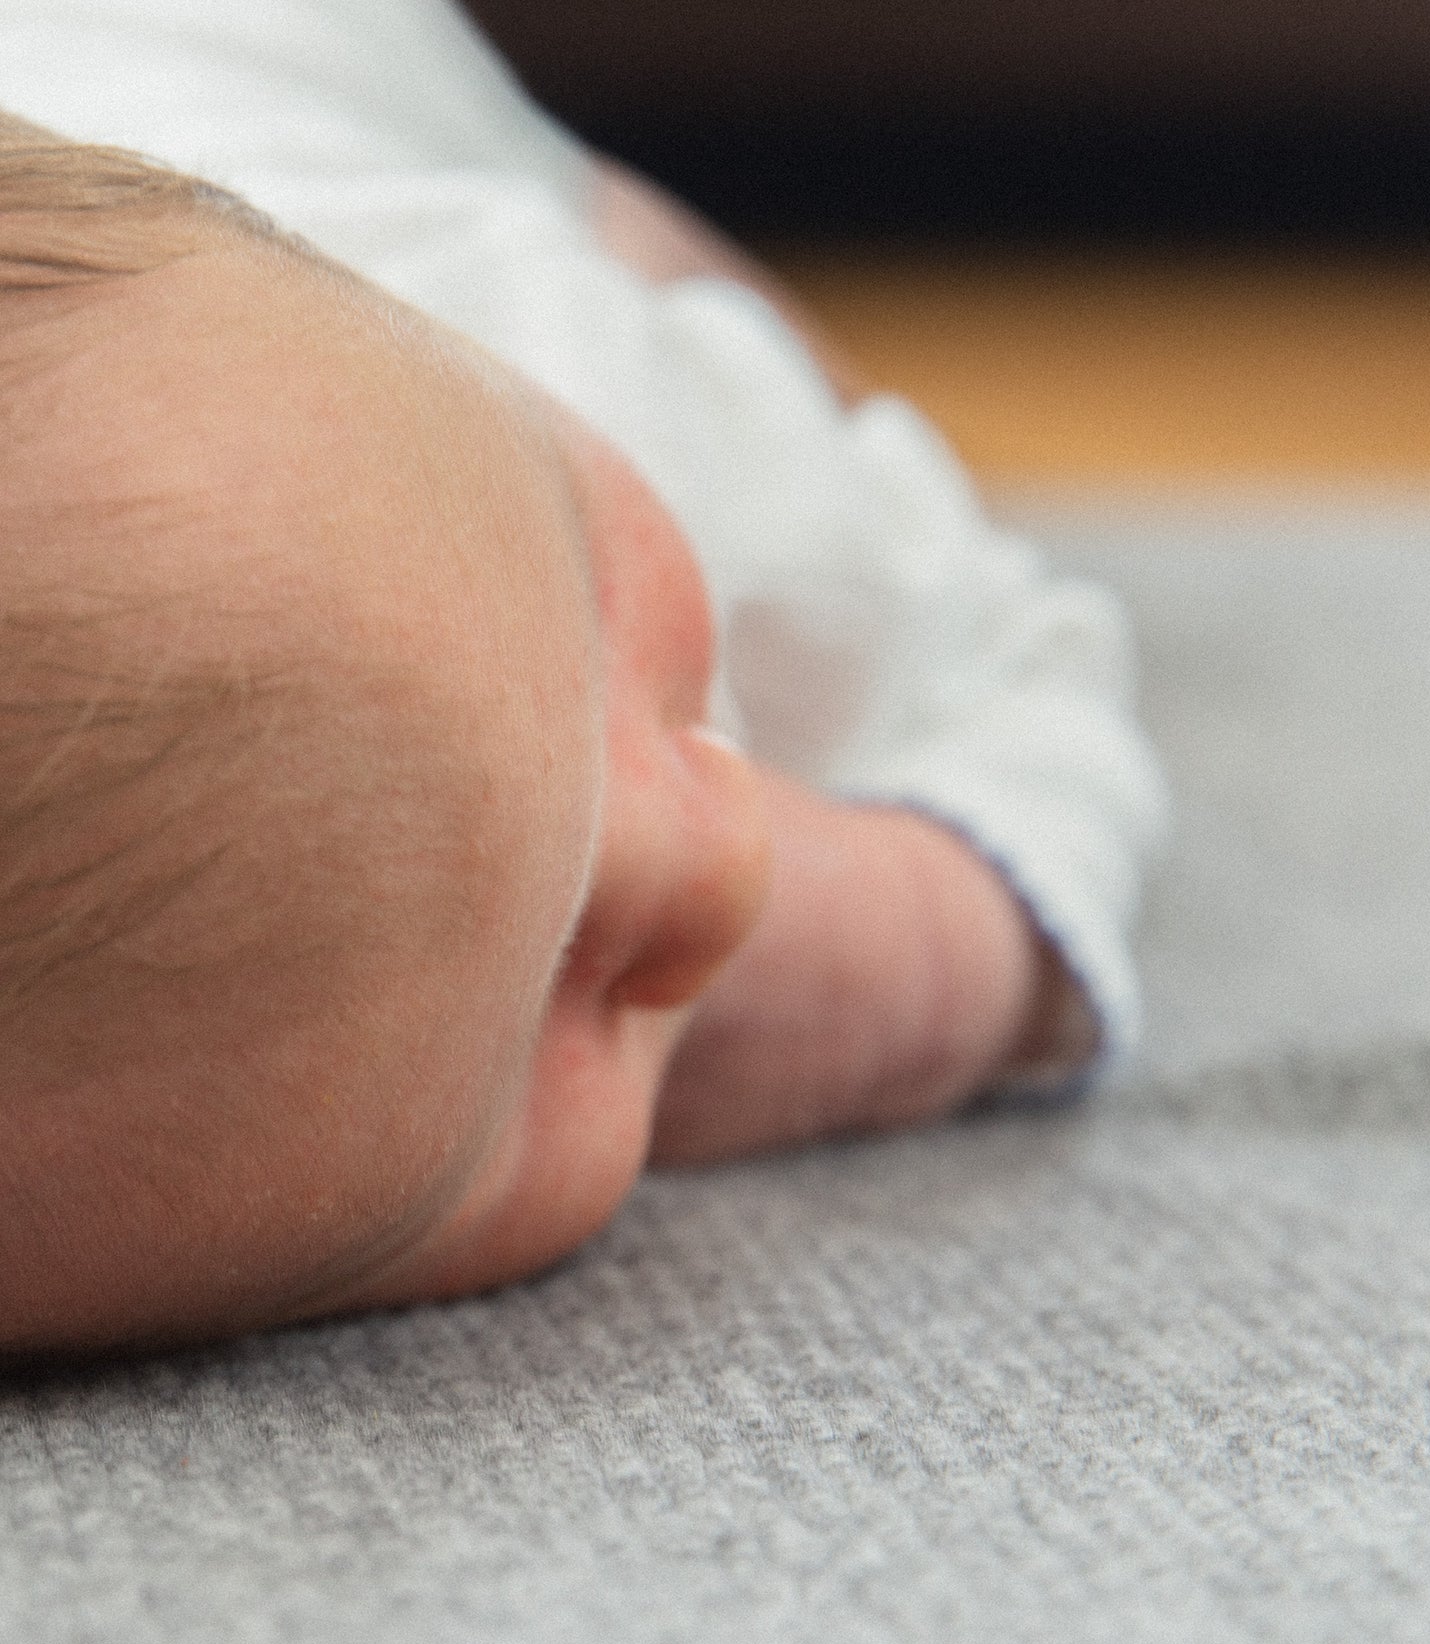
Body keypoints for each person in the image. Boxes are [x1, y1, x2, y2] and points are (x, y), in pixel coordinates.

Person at [0, 0, 1167, 1355]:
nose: (724, 859)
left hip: (305, 64)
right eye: (562, 983)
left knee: (800, 406)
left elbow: (1019, 652)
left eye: (597, 590)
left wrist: (930, 948)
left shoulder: (595, 375)